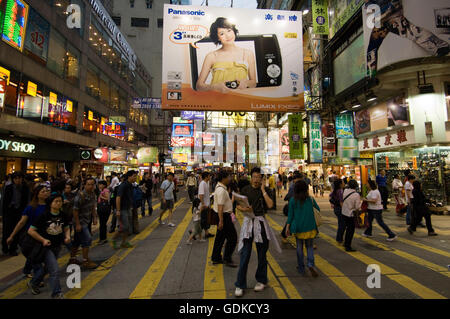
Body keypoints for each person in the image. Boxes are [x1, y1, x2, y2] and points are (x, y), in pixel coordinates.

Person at [364, 0, 449, 78]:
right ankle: (371, 74)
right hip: (385, 16)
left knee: (412, 32)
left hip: (390, 14)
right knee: (411, 32)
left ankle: (441, 47)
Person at [234, 167, 279, 297]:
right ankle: (240, 284)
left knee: (261, 254)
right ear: (251, 177)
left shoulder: (266, 191)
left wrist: (263, 190)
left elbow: (270, 205)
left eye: (259, 177)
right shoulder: (245, 190)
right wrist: (244, 209)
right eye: (254, 177)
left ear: (262, 179)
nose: (256, 179)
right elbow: (237, 205)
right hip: (248, 223)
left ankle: (261, 280)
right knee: (245, 254)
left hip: (260, 223)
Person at [27, 193, 71, 298]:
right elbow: (31, 230)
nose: (59, 203)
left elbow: (66, 227)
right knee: (54, 269)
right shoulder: (44, 215)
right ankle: (56, 293)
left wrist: (68, 236)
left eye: (60, 201)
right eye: (56, 201)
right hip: (46, 248)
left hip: (57, 246)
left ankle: (33, 282)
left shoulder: (63, 215)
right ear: (50, 203)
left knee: (48, 268)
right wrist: (43, 240)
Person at [196, 17, 257, 93]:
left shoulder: (247, 53)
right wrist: (214, 87)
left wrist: (246, 83)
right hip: (216, 100)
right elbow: (199, 86)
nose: (228, 36)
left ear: (233, 31)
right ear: (218, 38)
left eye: (229, 30)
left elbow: (253, 83)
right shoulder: (211, 56)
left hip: (241, 99)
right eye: (222, 34)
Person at [7, 185, 50, 278]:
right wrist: (12, 235)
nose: (46, 193)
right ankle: (37, 279)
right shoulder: (31, 207)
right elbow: (21, 223)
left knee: (35, 255)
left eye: (47, 191)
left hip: (44, 235)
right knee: (35, 256)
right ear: (37, 194)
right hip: (31, 236)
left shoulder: (49, 206)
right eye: (43, 191)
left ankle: (28, 270)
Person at [286, 180, 320, 277]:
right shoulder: (310, 199)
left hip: (298, 228)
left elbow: (290, 215)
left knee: (299, 247)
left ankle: (301, 267)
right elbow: (318, 209)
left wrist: (287, 227)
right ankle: (310, 264)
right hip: (310, 226)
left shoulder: (293, 200)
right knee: (309, 247)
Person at [69, 177, 98, 268]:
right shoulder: (80, 196)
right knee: (87, 239)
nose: (90, 186)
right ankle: (85, 261)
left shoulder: (92, 194)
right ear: (84, 185)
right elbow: (75, 211)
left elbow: (92, 206)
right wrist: (77, 224)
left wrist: (94, 217)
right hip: (80, 222)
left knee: (77, 241)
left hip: (87, 220)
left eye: (92, 184)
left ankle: (72, 259)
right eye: (88, 184)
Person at [211, 171, 237, 267]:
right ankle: (227, 258)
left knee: (220, 238)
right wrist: (221, 221)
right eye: (228, 177)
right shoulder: (221, 190)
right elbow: (220, 206)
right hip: (224, 217)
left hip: (222, 216)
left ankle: (216, 257)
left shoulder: (220, 188)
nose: (230, 179)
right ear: (223, 179)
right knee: (233, 238)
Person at [2, 171, 30, 256]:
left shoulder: (25, 188)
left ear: (22, 179)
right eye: (15, 178)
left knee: (17, 230)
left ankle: (13, 248)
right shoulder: (8, 187)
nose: (17, 180)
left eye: (19, 178)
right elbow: (4, 201)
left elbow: (27, 200)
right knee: (6, 230)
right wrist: (3, 213)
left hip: (20, 211)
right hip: (9, 211)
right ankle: (5, 247)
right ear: (13, 179)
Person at [112, 171, 137, 249]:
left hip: (127, 208)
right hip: (122, 209)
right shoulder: (123, 185)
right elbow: (118, 197)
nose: (135, 178)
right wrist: (118, 210)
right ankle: (113, 239)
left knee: (127, 227)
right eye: (134, 176)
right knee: (123, 227)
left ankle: (124, 242)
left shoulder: (130, 185)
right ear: (129, 177)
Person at [341, 180, 361, 252]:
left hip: (344, 212)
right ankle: (348, 245)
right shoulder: (356, 195)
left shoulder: (345, 191)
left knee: (346, 228)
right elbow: (357, 207)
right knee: (350, 230)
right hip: (350, 214)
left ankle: (345, 242)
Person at [199, 172, 214, 238]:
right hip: (204, 205)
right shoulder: (202, 184)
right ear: (206, 177)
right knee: (204, 220)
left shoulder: (205, 183)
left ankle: (206, 233)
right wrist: (203, 204)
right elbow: (201, 195)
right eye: (209, 176)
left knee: (205, 220)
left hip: (206, 205)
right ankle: (193, 231)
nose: (210, 177)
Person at [329, 179, 345, 244]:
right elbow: (341, 202)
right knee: (342, 225)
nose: (344, 183)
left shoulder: (334, 191)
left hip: (336, 209)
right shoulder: (340, 191)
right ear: (340, 184)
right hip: (340, 209)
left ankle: (339, 238)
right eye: (343, 182)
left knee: (340, 223)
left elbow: (330, 198)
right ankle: (339, 238)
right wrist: (344, 209)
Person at [97, 180, 111, 245]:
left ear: (104, 185)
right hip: (101, 208)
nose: (99, 185)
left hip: (104, 209)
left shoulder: (106, 190)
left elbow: (107, 198)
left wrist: (101, 196)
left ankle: (103, 239)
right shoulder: (102, 190)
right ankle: (102, 238)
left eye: (100, 184)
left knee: (102, 224)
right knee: (102, 224)